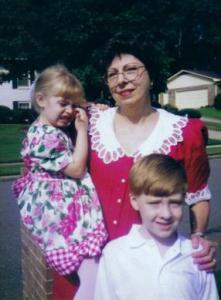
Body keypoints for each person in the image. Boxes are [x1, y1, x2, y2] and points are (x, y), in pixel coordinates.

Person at [12, 65, 108, 290]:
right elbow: (75, 169)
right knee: (91, 272)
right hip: (61, 214)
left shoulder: (49, 128)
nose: (69, 111)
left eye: (73, 105)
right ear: (41, 99)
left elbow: (82, 105)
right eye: (63, 104)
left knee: (90, 273)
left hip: (60, 208)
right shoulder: (44, 136)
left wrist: (93, 107)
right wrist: (82, 130)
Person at [94, 154, 219, 300]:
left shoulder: (196, 255)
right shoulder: (114, 254)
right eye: (154, 203)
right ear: (134, 201)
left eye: (175, 202)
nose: (166, 214)